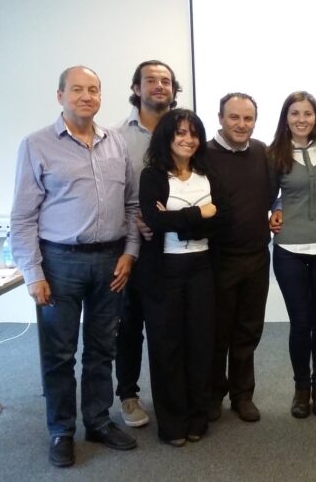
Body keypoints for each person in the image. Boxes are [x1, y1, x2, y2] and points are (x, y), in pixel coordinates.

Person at [11, 65, 139, 467]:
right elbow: (22, 217)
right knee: (59, 353)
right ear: (60, 96)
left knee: (102, 349)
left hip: (110, 262)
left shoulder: (116, 143)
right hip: (59, 263)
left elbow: (132, 205)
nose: (87, 96)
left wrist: (130, 253)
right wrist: (33, 273)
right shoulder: (36, 145)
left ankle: (98, 421)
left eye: (94, 90)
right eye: (78, 89)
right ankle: (61, 431)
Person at [136, 108, 218, 446]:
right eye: (180, 133)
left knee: (200, 344)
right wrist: (199, 213)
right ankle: (172, 424)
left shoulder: (208, 173)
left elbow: (220, 221)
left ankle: (198, 418)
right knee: (166, 346)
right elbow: (154, 223)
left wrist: (177, 220)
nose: (188, 139)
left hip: (202, 269)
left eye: (194, 133)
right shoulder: (153, 176)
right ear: (167, 137)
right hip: (164, 272)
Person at [114, 59, 182, 428]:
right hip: (132, 243)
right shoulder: (115, 136)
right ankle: (128, 394)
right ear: (136, 88)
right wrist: (137, 221)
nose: (159, 86)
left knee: (170, 325)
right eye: (151, 80)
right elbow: (112, 192)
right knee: (129, 323)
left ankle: (173, 395)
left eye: (166, 81)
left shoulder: (185, 130)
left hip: (177, 244)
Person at [268, 91, 316, 419]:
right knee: (300, 323)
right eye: (295, 113)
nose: (301, 119)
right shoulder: (274, 153)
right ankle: (301, 389)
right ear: (286, 118)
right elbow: (270, 194)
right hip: (289, 249)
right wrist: (277, 207)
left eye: (307, 113)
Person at [206, 92, 276, 422]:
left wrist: (278, 209)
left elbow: (277, 191)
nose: (241, 124)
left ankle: (242, 395)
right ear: (220, 118)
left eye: (248, 118)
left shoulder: (262, 152)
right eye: (234, 117)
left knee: (248, 330)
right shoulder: (203, 154)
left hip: (257, 256)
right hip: (218, 259)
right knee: (217, 331)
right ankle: (213, 395)